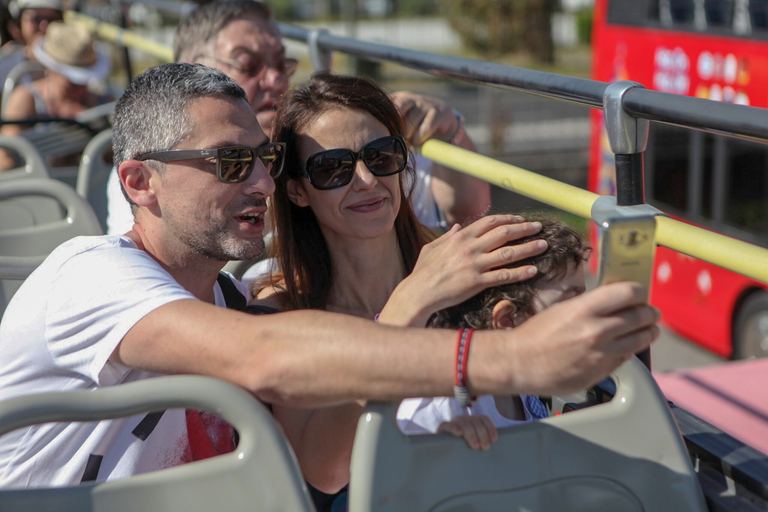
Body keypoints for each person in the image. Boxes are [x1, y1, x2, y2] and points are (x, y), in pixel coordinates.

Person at [0, 62, 659, 489]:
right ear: (140, 182)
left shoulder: (229, 302)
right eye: (232, 163)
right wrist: (511, 358)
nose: (259, 180)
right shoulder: (90, 276)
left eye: (263, 158)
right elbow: (269, 365)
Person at [247, 74, 596, 510]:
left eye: (381, 156)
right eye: (332, 168)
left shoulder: (461, 265)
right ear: (297, 190)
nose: (366, 180)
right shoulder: (282, 314)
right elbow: (325, 471)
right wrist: (407, 305)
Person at [105, 0, 490, 235]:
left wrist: (449, 127)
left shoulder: (334, 142)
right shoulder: (157, 167)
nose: (275, 79)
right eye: (248, 64)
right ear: (193, 70)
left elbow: (465, 213)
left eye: (281, 64)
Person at [397, 216, 591, 451]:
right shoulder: (447, 404)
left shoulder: (520, 380)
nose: (587, 313)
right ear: (507, 320)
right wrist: (441, 441)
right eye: (570, 302)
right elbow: (396, 451)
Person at [0, 21, 111, 170]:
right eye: (71, 79)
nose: (79, 85)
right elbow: (5, 159)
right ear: (50, 68)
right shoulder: (26, 100)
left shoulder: (103, 103)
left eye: (83, 78)